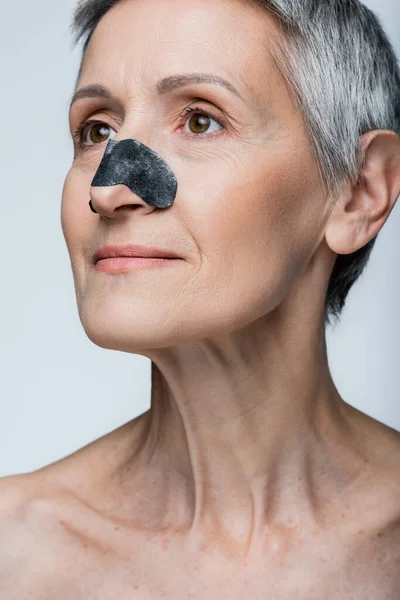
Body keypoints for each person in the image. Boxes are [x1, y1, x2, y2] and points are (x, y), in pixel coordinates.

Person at [1, 0, 400, 597]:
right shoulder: (15, 552)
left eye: (200, 120)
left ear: (358, 192)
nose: (110, 188)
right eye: (97, 130)